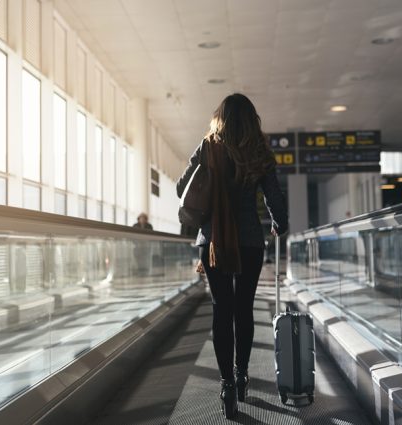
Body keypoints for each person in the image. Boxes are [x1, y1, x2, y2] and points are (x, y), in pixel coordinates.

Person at [176, 93, 288, 419]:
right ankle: (241, 375)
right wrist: (280, 224)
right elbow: (274, 197)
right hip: (250, 241)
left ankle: (225, 384)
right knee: (243, 309)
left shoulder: (208, 145)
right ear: (252, 119)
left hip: (212, 241)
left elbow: (183, 187)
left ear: (220, 117)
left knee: (221, 309)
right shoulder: (259, 150)